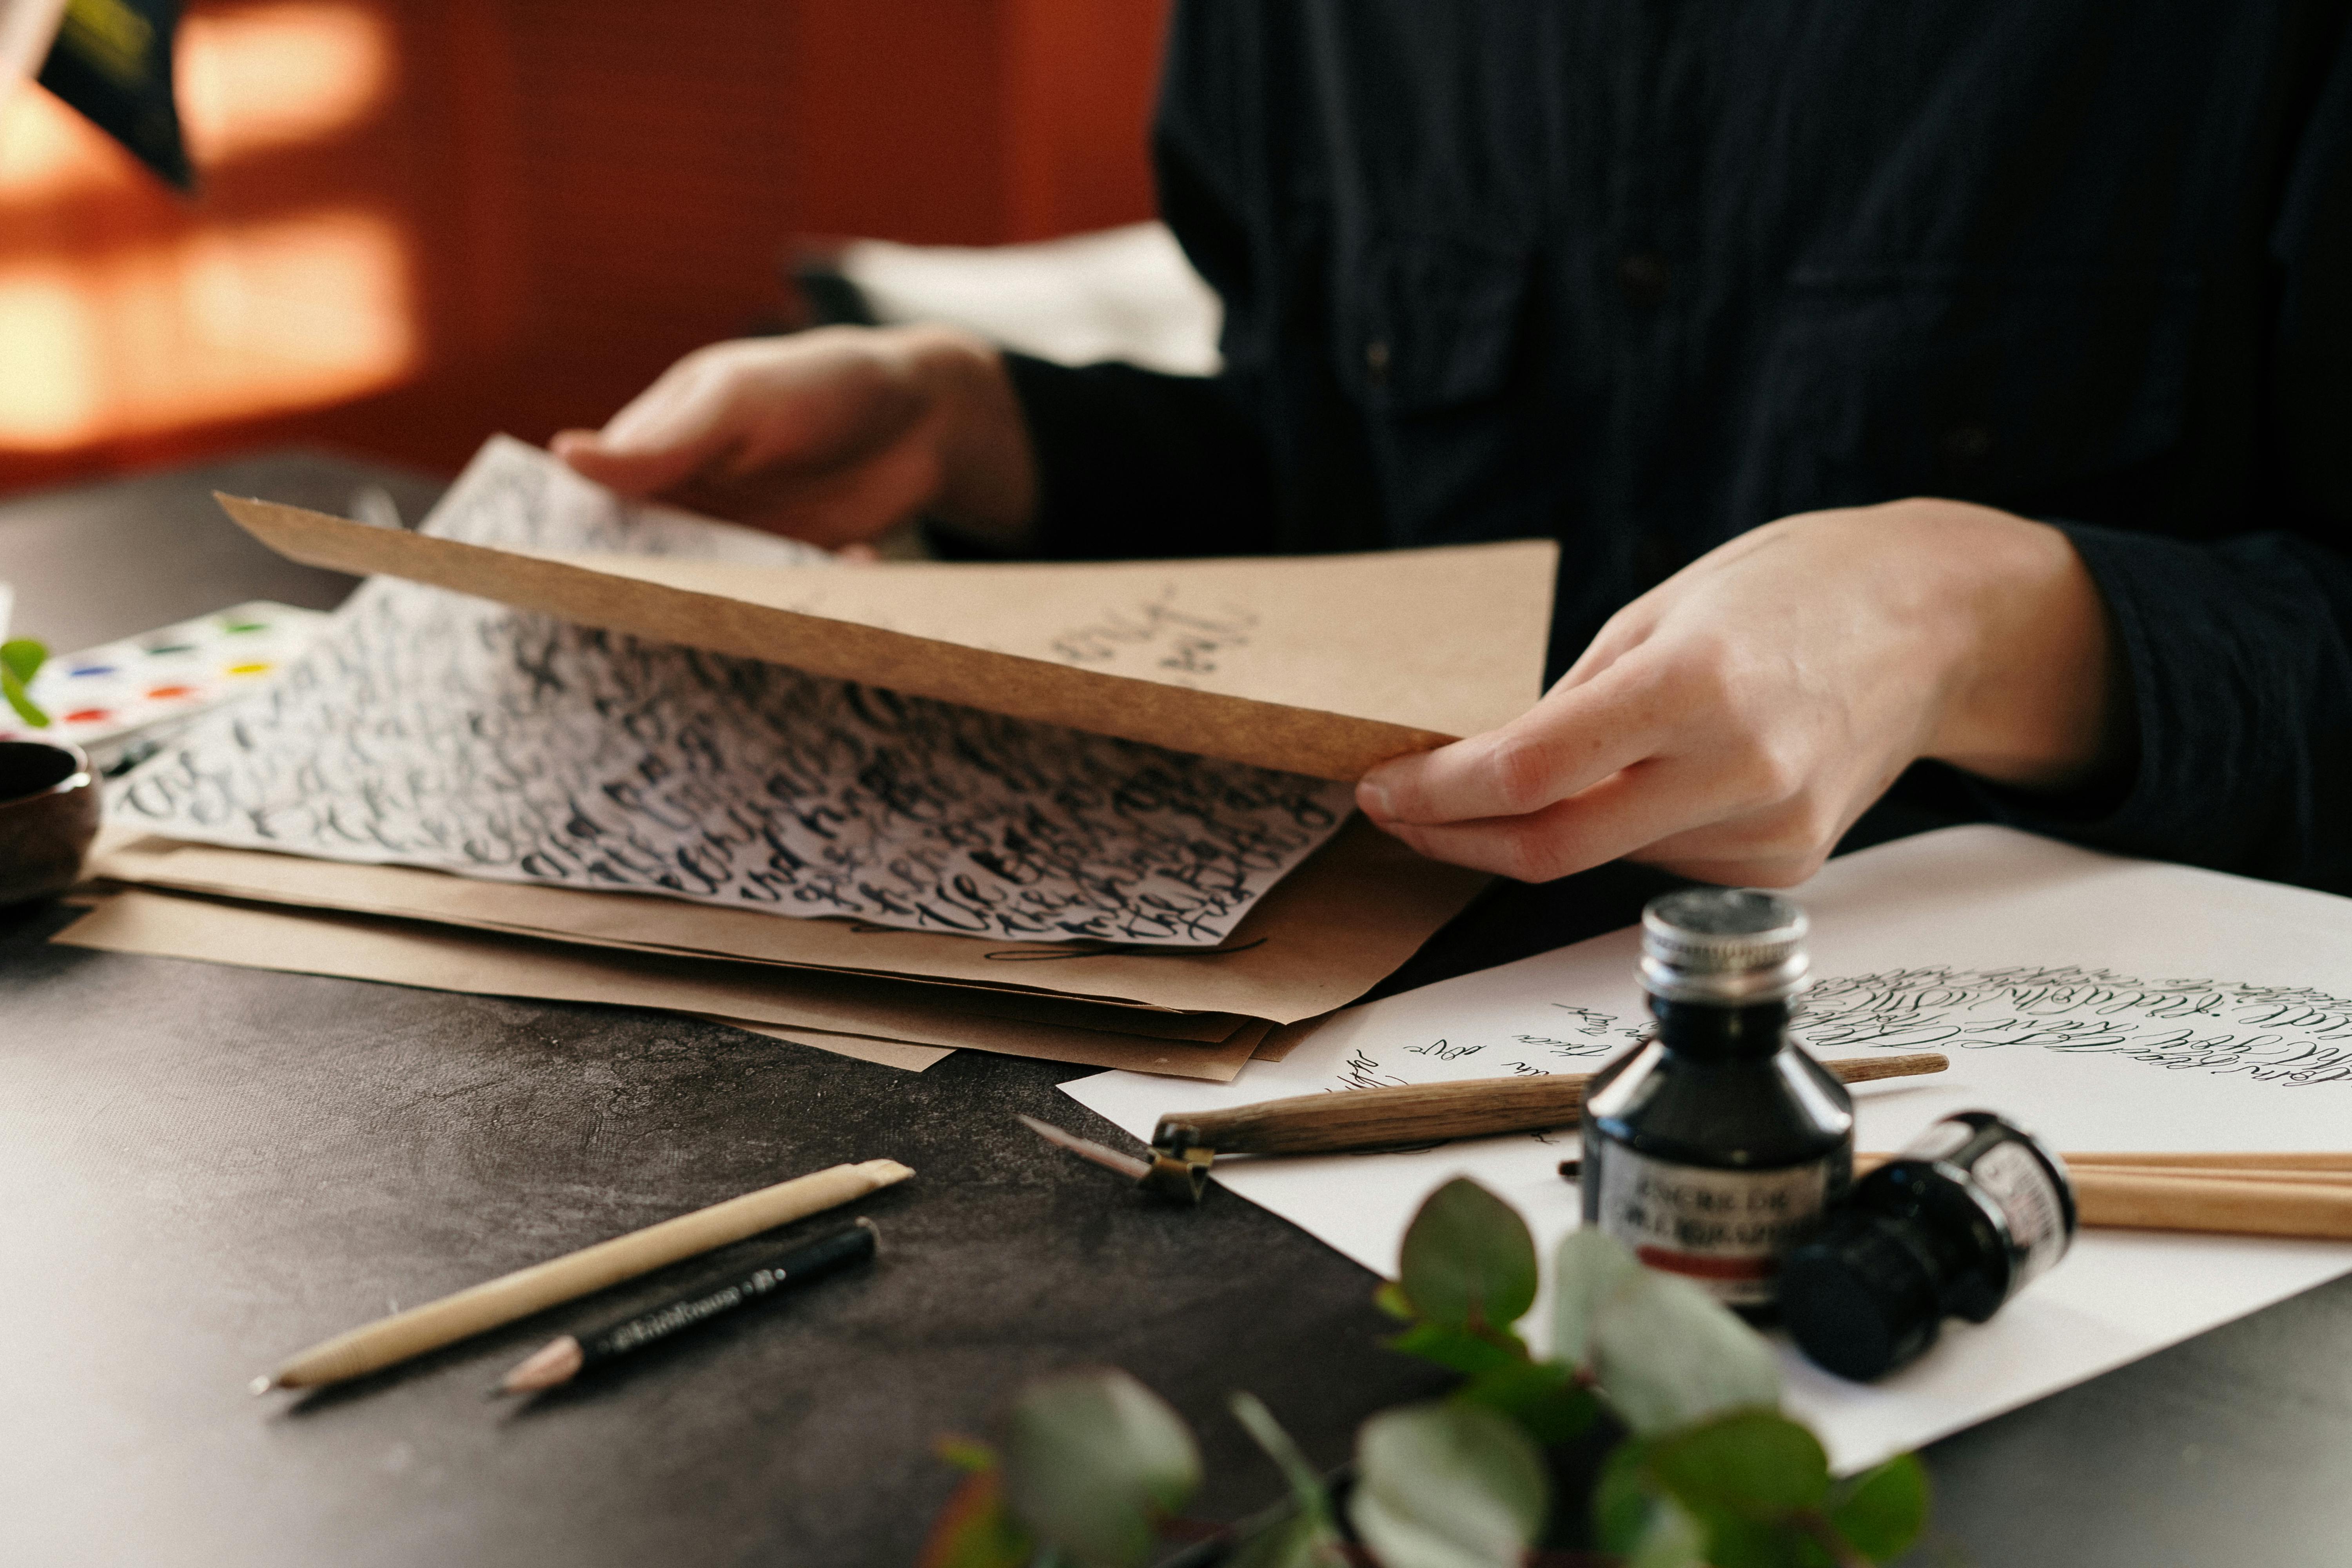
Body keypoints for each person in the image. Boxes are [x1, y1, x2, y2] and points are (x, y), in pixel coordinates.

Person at [557, 2, 2352, 895]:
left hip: (2068, 1165)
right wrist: (983, 430)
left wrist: (1978, 622)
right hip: (1362, 1106)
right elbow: (1351, 484)